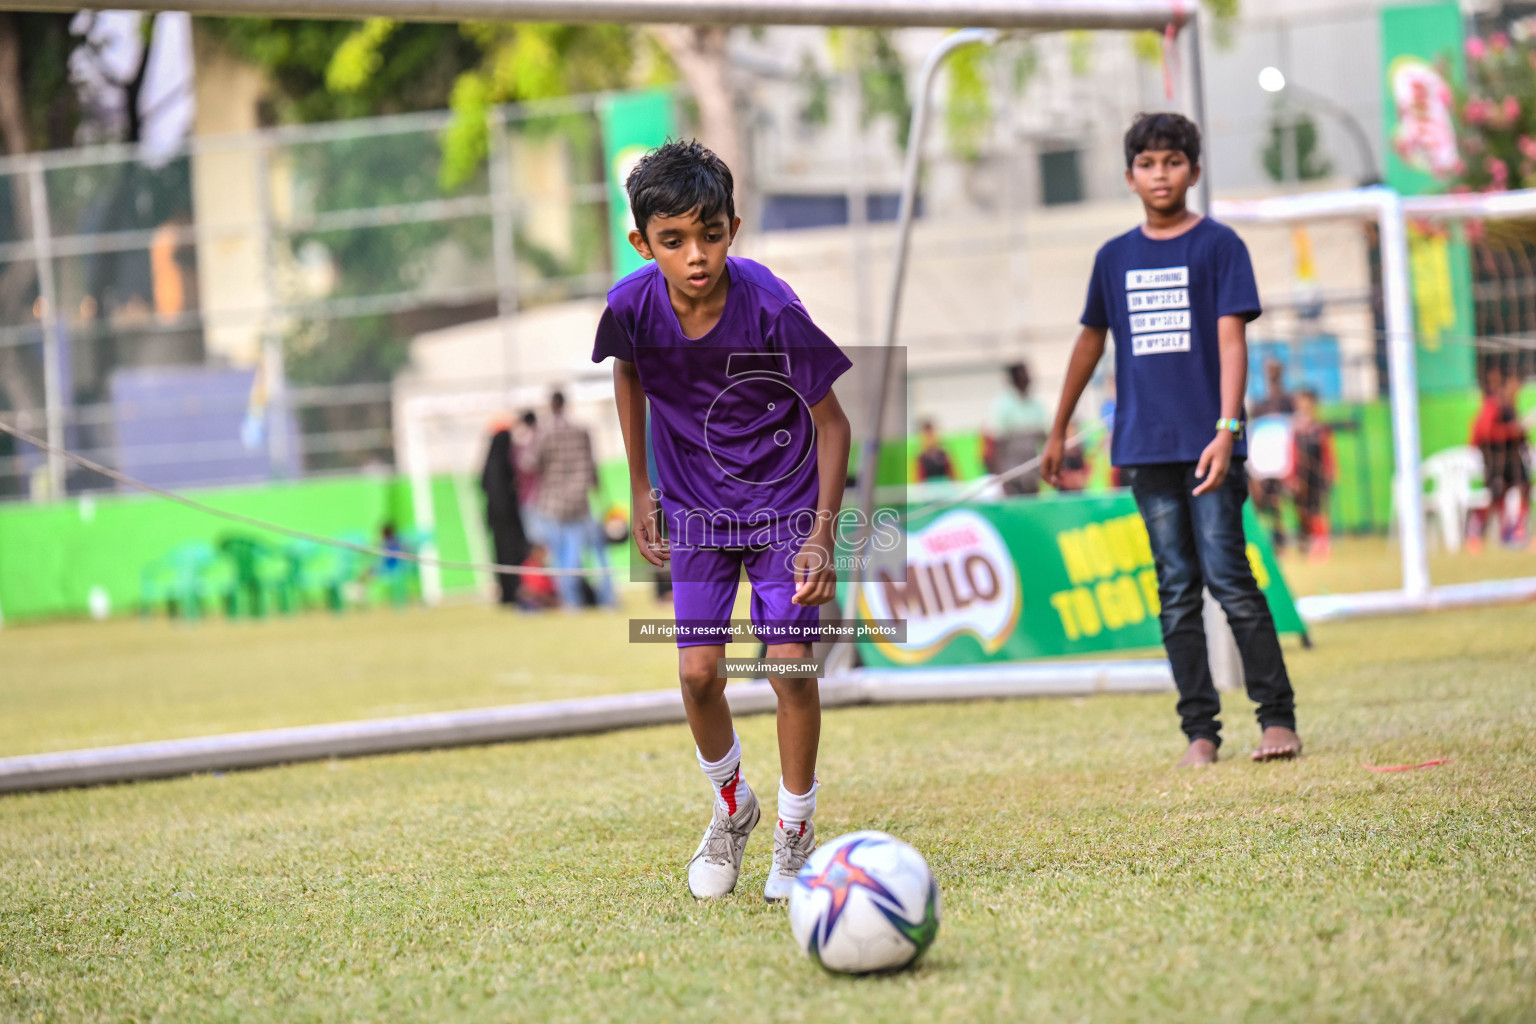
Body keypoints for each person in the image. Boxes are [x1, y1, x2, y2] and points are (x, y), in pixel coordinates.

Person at [591, 140, 852, 902]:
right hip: (695, 511)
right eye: (673, 240)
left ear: (733, 228)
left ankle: (796, 832)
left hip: (782, 508)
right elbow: (630, 372)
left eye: (709, 234)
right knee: (697, 673)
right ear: (643, 243)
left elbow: (833, 425)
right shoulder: (630, 306)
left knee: (788, 667)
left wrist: (821, 533)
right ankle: (734, 808)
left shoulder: (770, 305)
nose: (695, 255)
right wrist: (641, 486)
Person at [1041, 111, 1302, 767]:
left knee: (1230, 580)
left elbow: (1231, 339)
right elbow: (1090, 342)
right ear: (1130, 176)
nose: (1162, 174)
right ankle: (1201, 733)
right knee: (1177, 590)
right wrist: (1059, 425)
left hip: (1211, 447)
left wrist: (1227, 429)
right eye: (1149, 164)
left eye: (1174, 161)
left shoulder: (1219, 247)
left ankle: (1277, 721)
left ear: (1195, 169)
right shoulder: (1113, 258)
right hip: (1145, 450)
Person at [535, 390, 617, 610]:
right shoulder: (582, 430)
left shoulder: (544, 433)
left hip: (555, 503)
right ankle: (609, 599)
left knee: (563, 556)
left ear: (551, 405)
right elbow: (592, 465)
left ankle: (572, 602)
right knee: (599, 551)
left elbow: (530, 463)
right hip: (582, 500)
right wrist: (602, 497)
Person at [1470, 366, 1532, 549]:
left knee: (1524, 488)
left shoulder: (1511, 407)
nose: (1517, 389)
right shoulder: (1491, 406)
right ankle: (1476, 534)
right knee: (1495, 497)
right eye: (1514, 384)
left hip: (1513, 461)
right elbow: (1481, 434)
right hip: (1495, 462)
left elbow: (1519, 435)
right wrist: (1510, 432)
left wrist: (1521, 433)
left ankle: (1517, 532)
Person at [480, 422, 531, 608]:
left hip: (497, 521)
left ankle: (508, 593)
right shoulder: (506, 464)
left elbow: (483, 484)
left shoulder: (491, 463)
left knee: (502, 556)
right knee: (514, 555)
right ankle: (515, 591)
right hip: (510, 521)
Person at [1248, 358, 1295, 551]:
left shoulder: (1287, 401)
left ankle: (1281, 539)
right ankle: (1262, 539)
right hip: (1263, 461)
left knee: (1277, 500)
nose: (1272, 374)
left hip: (1283, 459)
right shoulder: (1262, 403)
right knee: (1260, 499)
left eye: (1274, 370)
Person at [984, 361, 1049, 495]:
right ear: (1014, 378)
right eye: (1024, 374)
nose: (1028, 377)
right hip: (1011, 476)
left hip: (1032, 475)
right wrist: (1002, 479)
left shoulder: (1037, 405)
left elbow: (1044, 439)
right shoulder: (1002, 405)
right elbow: (995, 446)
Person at [1288, 387, 1335, 561]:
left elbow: (1327, 453)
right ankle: (1307, 543)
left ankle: (1322, 544)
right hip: (1300, 477)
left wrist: (1330, 472)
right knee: (1302, 511)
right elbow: (1291, 454)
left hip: (1316, 476)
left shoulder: (1319, 428)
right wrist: (1292, 477)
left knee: (1317, 511)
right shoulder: (1295, 428)